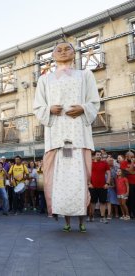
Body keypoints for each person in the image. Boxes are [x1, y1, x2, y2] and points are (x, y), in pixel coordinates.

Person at [34, 42, 100, 232]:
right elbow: (38, 106)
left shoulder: (85, 75)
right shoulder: (45, 80)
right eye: (58, 49)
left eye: (67, 48)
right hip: (56, 136)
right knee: (58, 178)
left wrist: (83, 108)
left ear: (74, 53)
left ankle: (82, 219)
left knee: (80, 178)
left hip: (78, 134)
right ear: (53, 55)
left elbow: (94, 101)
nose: (63, 52)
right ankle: (64, 218)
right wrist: (50, 110)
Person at [90, 151, 111, 223]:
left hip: (103, 186)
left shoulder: (105, 163)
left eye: (100, 155)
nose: (99, 156)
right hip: (93, 186)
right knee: (92, 202)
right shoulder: (90, 163)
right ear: (94, 156)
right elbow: (87, 174)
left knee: (103, 202)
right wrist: (89, 183)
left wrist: (107, 183)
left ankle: (102, 217)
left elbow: (108, 173)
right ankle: (91, 216)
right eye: (97, 155)